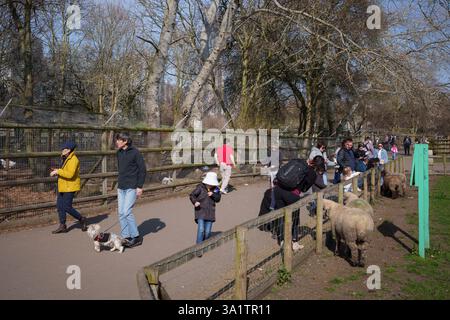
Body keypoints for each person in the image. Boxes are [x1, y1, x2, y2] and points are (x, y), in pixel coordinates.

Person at [115, 132, 146, 248]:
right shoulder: (118, 153)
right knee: (121, 212)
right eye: (117, 140)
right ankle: (126, 236)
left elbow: (142, 170)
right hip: (121, 187)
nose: (117, 142)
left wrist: (140, 186)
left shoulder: (135, 153)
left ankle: (136, 237)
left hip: (132, 187)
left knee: (127, 211)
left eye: (119, 140)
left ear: (125, 141)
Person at [50, 141, 88, 234]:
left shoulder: (73, 159)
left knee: (67, 207)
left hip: (70, 186)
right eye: (62, 149)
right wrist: (57, 171)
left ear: (69, 150)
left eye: (65, 149)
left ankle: (81, 219)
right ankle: (62, 226)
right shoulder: (65, 158)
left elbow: (70, 175)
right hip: (62, 186)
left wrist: (58, 172)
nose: (62, 150)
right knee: (60, 206)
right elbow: (64, 171)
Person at [189, 172, 221, 256]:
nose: (211, 185)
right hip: (200, 211)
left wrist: (213, 194)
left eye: (212, 183)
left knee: (207, 232)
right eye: (209, 183)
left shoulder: (216, 189)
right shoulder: (200, 187)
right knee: (201, 230)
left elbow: (218, 199)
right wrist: (195, 202)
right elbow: (192, 195)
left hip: (210, 212)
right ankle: (198, 249)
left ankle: (204, 242)